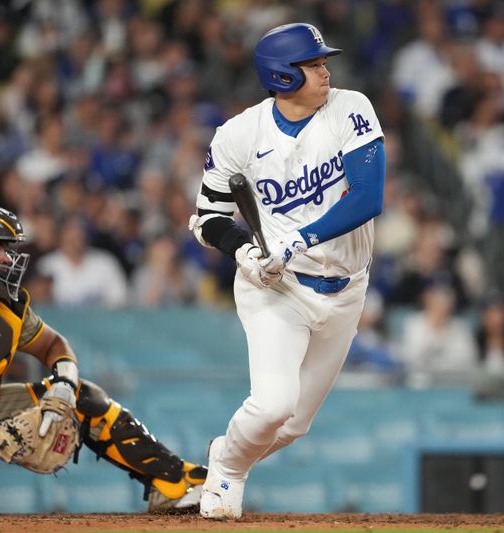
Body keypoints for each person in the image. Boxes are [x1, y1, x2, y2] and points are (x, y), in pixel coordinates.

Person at [0, 202, 206, 516]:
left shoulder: (8, 305)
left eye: (8, 249)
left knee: (82, 397)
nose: (7, 258)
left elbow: (54, 345)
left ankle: (173, 482)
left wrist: (62, 387)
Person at [188, 23, 385, 519]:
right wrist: (243, 252)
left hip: (346, 286)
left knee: (293, 426)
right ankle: (228, 474)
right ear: (281, 76)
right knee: (273, 404)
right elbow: (207, 218)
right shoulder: (238, 134)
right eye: (313, 64)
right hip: (279, 287)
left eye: (322, 62)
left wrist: (295, 241)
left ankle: (223, 452)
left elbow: (368, 197)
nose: (325, 71)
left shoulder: (350, 107)